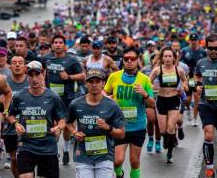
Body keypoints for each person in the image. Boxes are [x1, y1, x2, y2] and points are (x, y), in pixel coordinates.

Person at [7, 60, 66, 178]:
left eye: (37, 74)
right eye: (30, 75)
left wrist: (58, 127)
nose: (34, 79)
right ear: (26, 76)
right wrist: (16, 124)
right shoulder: (19, 96)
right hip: (26, 145)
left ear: (43, 74)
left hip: (47, 146)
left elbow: (62, 119)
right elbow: (10, 115)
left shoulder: (53, 97)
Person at [104, 47, 155, 178]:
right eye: (126, 58)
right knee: (117, 161)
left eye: (132, 58)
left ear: (137, 60)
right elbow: (104, 91)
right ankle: (119, 173)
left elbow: (152, 103)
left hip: (137, 126)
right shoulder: (114, 77)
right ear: (123, 60)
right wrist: (107, 97)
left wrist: (144, 94)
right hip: (119, 126)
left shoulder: (144, 79)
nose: (129, 61)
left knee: (134, 161)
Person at [67, 68, 125, 178]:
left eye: (97, 81)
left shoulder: (112, 106)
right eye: (91, 81)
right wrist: (74, 133)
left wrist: (108, 128)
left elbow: (121, 134)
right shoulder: (75, 104)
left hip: (105, 156)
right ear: (85, 83)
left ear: (103, 83)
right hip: (83, 156)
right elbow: (68, 123)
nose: (94, 85)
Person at [42, 35, 85, 165]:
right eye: (55, 42)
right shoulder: (46, 59)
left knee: (66, 126)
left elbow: (83, 75)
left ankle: (66, 149)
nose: (58, 45)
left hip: (67, 98)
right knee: (53, 125)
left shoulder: (71, 60)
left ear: (64, 45)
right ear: (52, 45)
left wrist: (69, 77)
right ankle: (53, 151)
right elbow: (41, 73)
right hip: (50, 98)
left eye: (60, 42)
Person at [149, 47, 187, 163]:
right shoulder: (157, 70)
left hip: (174, 100)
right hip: (161, 100)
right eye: (165, 56)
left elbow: (185, 81)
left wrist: (183, 88)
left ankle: (170, 154)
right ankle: (168, 138)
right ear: (162, 57)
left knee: (171, 128)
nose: (168, 58)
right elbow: (147, 83)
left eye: (170, 56)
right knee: (162, 131)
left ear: (174, 58)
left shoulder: (179, 70)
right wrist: (153, 87)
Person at [2, 55, 29, 177]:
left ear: (25, 66)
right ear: (10, 66)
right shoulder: (4, 82)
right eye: (14, 63)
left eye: (20, 62)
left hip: (29, 125)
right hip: (10, 126)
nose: (17, 65)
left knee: (27, 157)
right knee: (14, 158)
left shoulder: (31, 80)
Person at [195, 33, 217, 178]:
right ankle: (209, 169)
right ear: (206, 48)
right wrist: (197, 86)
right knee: (209, 136)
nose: (214, 51)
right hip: (206, 103)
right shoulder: (201, 63)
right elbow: (196, 76)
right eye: (211, 48)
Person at [181, 33, 207, 126]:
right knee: (187, 99)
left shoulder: (203, 51)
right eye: (192, 40)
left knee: (196, 98)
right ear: (189, 41)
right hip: (189, 77)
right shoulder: (184, 51)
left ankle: (195, 119)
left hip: (199, 76)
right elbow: (179, 63)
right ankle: (188, 109)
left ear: (198, 41)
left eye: (195, 40)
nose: (193, 42)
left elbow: (206, 63)